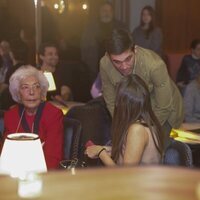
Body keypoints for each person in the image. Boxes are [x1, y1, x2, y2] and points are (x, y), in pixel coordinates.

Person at [100, 29, 184, 147]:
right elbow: (111, 101)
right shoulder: (104, 64)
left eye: (128, 59)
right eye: (117, 62)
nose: (124, 66)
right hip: (133, 109)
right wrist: (123, 127)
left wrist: (140, 132)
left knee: (152, 150)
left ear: (135, 50)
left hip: (162, 110)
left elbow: (164, 107)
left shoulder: (155, 65)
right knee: (123, 148)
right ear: (109, 57)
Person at [85, 74, 163, 166]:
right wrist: (105, 149)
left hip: (139, 180)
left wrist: (101, 153)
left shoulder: (137, 130)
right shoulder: (149, 123)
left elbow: (125, 174)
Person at [3, 65, 64, 169]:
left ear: (42, 92)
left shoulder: (53, 114)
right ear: (18, 93)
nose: (31, 92)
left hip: (45, 175)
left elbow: (53, 159)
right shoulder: (11, 116)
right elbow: (5, 156)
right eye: (25, 87)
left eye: (36, 86)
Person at [81, 1, 127, 84]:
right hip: (95, 68)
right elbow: (84, 45)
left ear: (112, 12)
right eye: (104, 10)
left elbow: (127, 45)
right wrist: (87, 63)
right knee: (96, 93)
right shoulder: (90, 27)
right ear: (100, 12)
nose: (106, 13)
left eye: (109, 10)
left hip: (116, 68)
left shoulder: (121, 27)